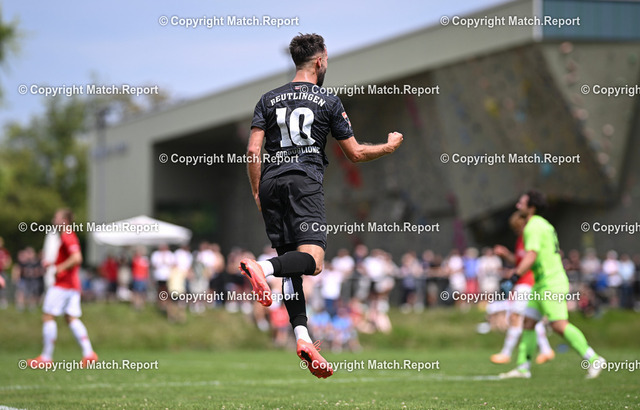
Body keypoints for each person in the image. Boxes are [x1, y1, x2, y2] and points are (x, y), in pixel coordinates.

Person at [238, 33, 403, 378]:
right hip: (304, 182)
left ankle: (302, 337)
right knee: (312, 263)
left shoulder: (267, 99)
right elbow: (355, 153)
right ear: (320, 60)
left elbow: (253, 151)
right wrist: (388, 147)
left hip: (270, 183)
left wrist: (256, 192)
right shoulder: (327, 100)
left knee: (291, 268)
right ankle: (262, 269)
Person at [499, 191, 605, 379]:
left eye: (521, 203)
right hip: (541, 283)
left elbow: (531, 255)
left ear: (531, 207)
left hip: (550, 282)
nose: (518, 205)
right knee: (528, 323)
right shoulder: (544, 224)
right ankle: (523, 368)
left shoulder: (532, 226)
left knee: (558, 325)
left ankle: (594, 358)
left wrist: (514, 277)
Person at [27, 209, 98, 368]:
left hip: (63, 284)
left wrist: (59, 268)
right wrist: (53, 264)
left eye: (56, 217)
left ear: (64, 220)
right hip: (72, 284)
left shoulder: (67, 235)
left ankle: (46, 357)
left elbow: (77, 258)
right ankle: (89, 354)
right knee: (71, 318)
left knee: (48, 316)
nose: (53, 219)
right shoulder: (66, 235)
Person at [491, 212, 554, 365]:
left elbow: (530, 261)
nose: (517, 231)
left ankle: (506, 353)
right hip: (523, 282)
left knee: (516, 317)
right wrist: (506, 254)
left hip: (528, 283)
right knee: (531, 319)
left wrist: (515, 275)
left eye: (518, 227)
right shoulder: (521, 240)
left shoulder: (531, 238)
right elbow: (519, 261)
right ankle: (546, 350)